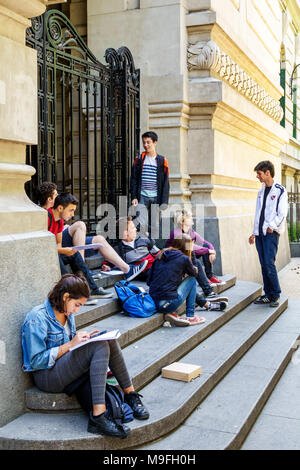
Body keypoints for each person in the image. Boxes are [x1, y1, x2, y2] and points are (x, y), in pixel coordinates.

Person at [21, 274, 149, 439]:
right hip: (47, 377)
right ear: (66, 297)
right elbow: (35, 362)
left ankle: (130, 395)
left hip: (63, 368)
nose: (77, 310)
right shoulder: (37, 318)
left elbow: (70, 347)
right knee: (99, 346)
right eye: (77, 304)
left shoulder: (67, 313)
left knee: (106, 339)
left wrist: (85, 339)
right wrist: (71, 344)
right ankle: (98, 417)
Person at [37, 182, 147, 283]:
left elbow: (58, 242)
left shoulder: (58, 218)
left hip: (64, 243)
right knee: (80, 224)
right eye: (56, 195)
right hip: (56, 248)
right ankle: (83, 269)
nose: (59, 196)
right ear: (49, 199)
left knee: (99, 239)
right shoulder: (44, 216)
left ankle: (127, 269)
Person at [147, 234, 228, 327]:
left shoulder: (160, 255)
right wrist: (192, 261)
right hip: (168, 303)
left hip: (154, 302)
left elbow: (149, 282)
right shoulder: (184, 258)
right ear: (188, 247)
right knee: (192, 280)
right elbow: (194, 274)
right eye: (191, 245)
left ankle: (205, 305)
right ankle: (190, 316)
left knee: (179, 283)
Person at [249, 160, 288, 308]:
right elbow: (258, 213)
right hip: (260, 233)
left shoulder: (280, 190)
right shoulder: (261, 191)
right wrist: (254, 233)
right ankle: (268, 294)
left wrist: (272, 226)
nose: (257, 177)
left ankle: (276, 295)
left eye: (259, 174)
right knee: (263, 265)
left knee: (269, 263)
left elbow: (282, 213)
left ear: (267, 173)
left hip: (270, 233)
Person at [167, 209, 225, 286]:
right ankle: (205, 281)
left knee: (205, 247)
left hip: (186, 256)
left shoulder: (190, 231)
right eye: (189, 217)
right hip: (174, 260)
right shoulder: (177, 233)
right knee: (198, 252)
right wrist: (209, 251)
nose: (192, 218)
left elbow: (204, 242)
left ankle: (210, 276)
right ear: (182, 221)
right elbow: (190, 247)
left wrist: (212, 251)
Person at [130, 131, 169, 237]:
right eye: (144, 142)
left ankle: (152, 248)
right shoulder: (139, 159)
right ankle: (143, 247)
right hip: (142, 196)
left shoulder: (162, 161)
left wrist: (164, 201)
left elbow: (165, 182)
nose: (145, 145)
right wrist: (134, 196)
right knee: (141, 223)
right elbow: (133, 179)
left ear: (155, 142)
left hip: (156, 197)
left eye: (148, 142)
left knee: (154, 225)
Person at [106, 216, 160, 281]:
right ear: (125, 233)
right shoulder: (118, 249)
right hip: (143, 273)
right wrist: (106, 266)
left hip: (156, 266)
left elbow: (159, 254)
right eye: (132, 228)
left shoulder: (143, 239)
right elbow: (108, 262)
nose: (136, 229)